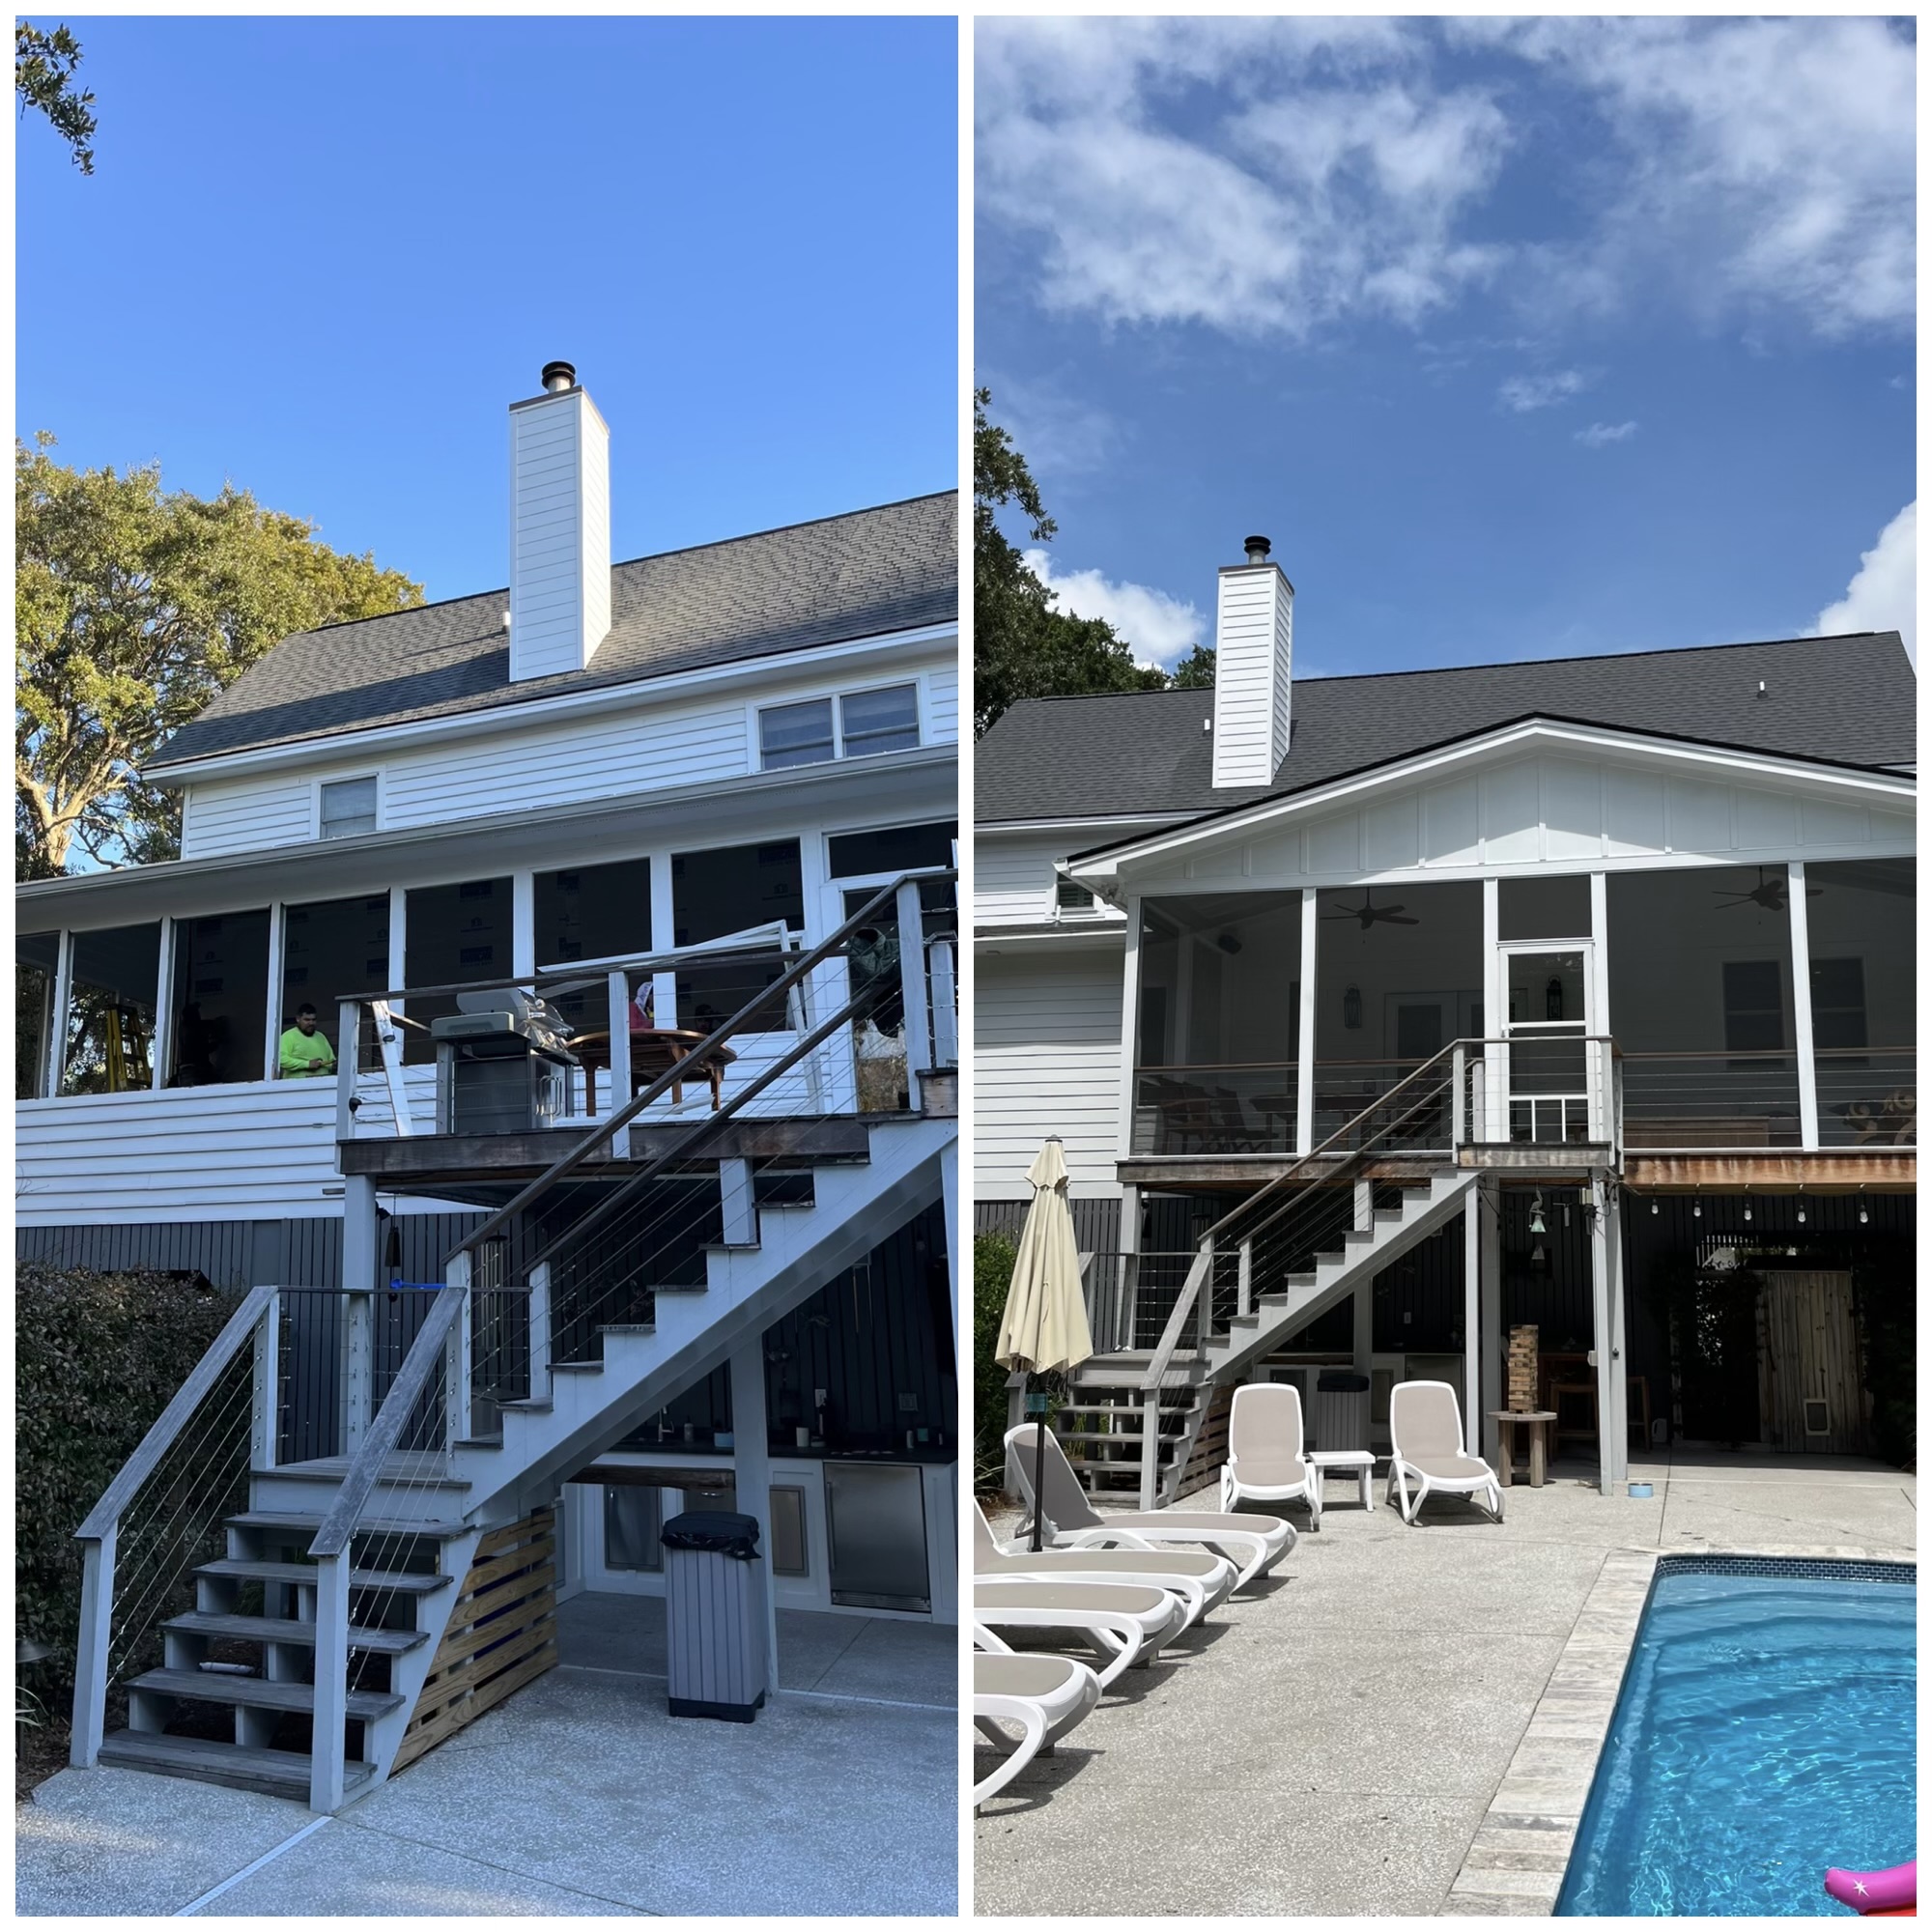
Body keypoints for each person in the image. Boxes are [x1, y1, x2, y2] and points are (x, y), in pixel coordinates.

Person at [278, 1003, 337, 1078]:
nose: (311, 1023)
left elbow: (331, 1060)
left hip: (323, 1086)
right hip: (299, 1087)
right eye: (307, 1020)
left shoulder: (321, 1037)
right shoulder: (288, 1036)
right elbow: (281, 1059)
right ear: (298, 1019)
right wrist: (307, 1064)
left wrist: (333, 1065)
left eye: (313, 1020)